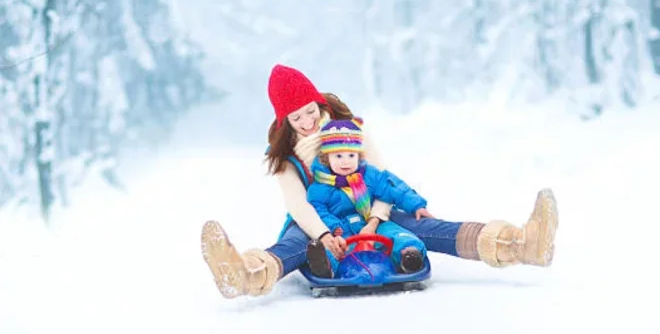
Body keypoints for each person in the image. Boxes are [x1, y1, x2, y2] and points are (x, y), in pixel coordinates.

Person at [200, 64, 559, 299]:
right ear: (285, 121)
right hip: (319, 221)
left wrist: (378, 217)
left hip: (371, 209)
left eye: (311, 110)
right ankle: (244, 274)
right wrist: (325, 234)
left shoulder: (351, 130)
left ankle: (520, 244)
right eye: (298, 118)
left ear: (317, 101)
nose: (308, 121)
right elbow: (299, 204)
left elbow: (381, 177)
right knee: (294, 246)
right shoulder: (284, 157)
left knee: (431, 228)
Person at [304, 117, 431, 278]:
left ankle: (409, 256)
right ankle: (324, 265)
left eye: (351, 155)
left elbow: (392, 187)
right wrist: (334, 229)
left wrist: (416, 204)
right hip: (341, 230)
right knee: (333, 248)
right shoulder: (320, 187)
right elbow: (318, 210)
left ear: (359, 156)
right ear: (326, 158)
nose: (346, 162)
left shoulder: (369, 175)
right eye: (338, 156)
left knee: (395, 233)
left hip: (370, 222)